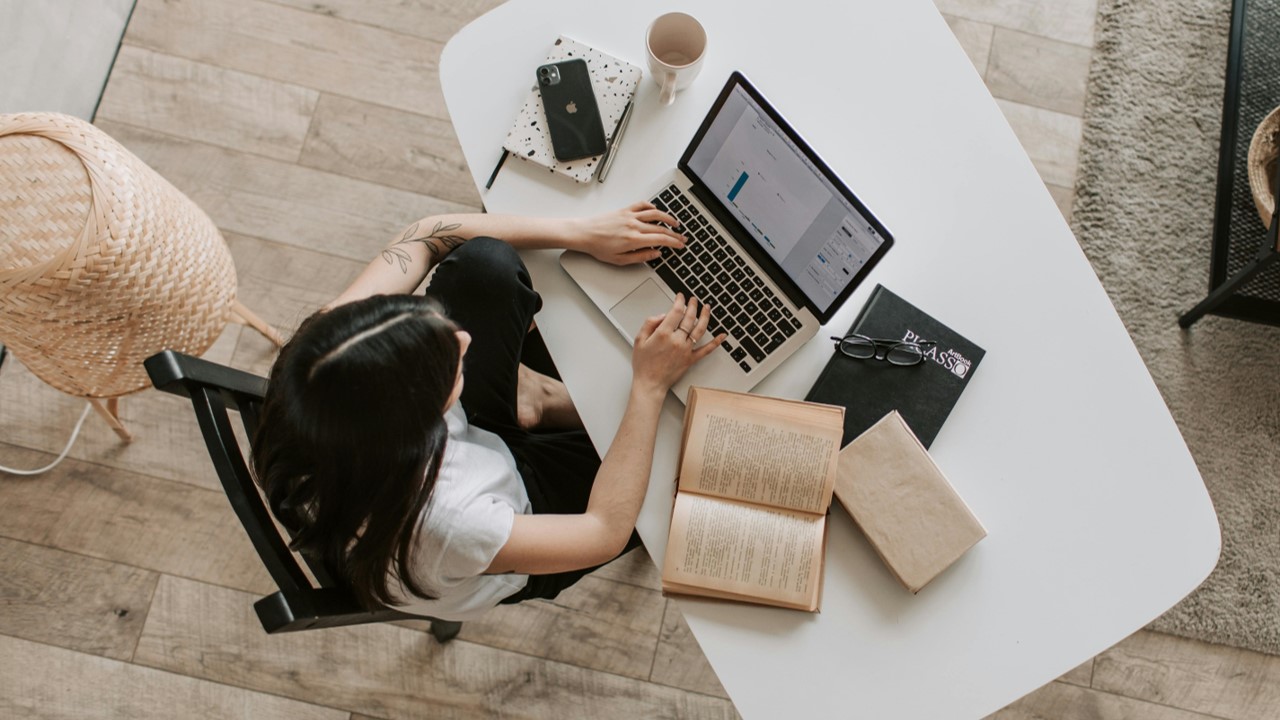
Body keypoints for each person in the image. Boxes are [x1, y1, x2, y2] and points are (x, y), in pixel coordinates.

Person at [251, 202, 725, 621]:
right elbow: (602, 531)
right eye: (448, 367)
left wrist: (580, 232)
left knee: (483, 264)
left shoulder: (322, 360)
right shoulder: (453, 522)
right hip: (519, 519)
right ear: (421, 424)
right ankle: (538, 401)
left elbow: (424, 236)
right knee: (687, 461)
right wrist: (647, 386)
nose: (463, 339)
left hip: (446, 460)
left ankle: (532, 401)